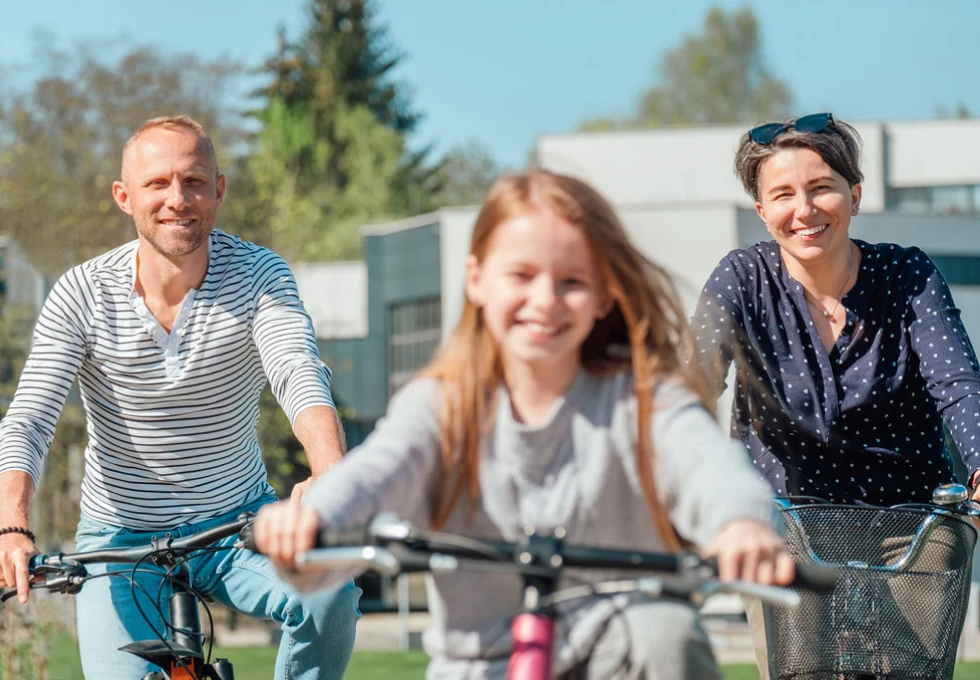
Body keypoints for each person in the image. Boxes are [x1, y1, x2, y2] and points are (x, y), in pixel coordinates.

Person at [253, 170, 794, 679]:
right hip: (479, 661)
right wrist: (315, 521)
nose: (545, 301)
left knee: (667, 632)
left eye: (571, 281)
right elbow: (374, 476)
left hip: (617, 651)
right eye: (521, 276)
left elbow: (705, 462)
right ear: (477, 280)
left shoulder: (643, 398)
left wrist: (739, 523)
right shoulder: (442, 406)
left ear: (605, 293)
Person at [0, 115, 361, 680]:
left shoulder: (259, 276)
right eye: (157, 183)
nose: (178, 199)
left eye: (194, 181)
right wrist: (12, 525)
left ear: (218, 189)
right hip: (119, 540)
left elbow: (298, 372)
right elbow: (30, 418)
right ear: (124, 197)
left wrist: (329, 472)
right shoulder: (81, 292)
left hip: (237, 525)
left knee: (329, 593)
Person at [691, 112, 980, 678]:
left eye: (821, 187)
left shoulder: (907, 275)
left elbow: (958, 384)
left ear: (855, 195)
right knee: (802, 670)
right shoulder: (743, 280)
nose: (804, 210)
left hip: (909, 519)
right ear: (761, 210)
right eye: (783, 194)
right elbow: (690, 384)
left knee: (913, 670)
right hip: (788, 520)